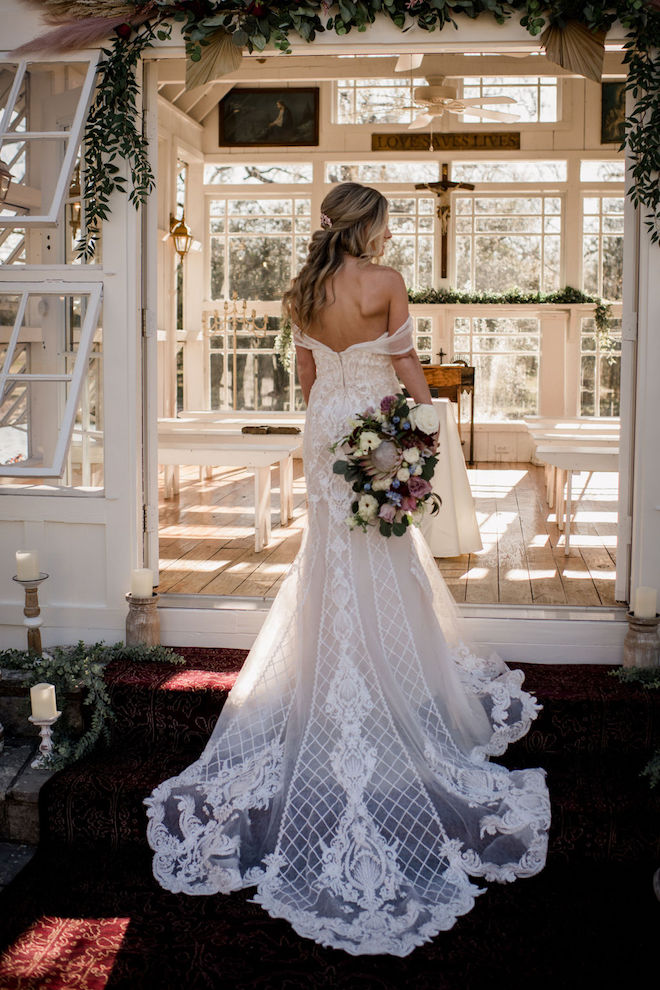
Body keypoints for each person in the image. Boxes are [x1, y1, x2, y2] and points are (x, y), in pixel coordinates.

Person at [145, 182, 550, 957]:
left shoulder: (302, 289)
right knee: (386, 555)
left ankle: (339, 667)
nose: (391, 233)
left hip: (328, 433)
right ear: (370, 226)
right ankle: (393, 675)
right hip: (376, 434)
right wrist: (425, 436)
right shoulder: (385, 283)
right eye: (388, 222)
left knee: (330, 557)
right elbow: (410, 374)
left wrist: (333, 424)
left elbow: (306, 380)